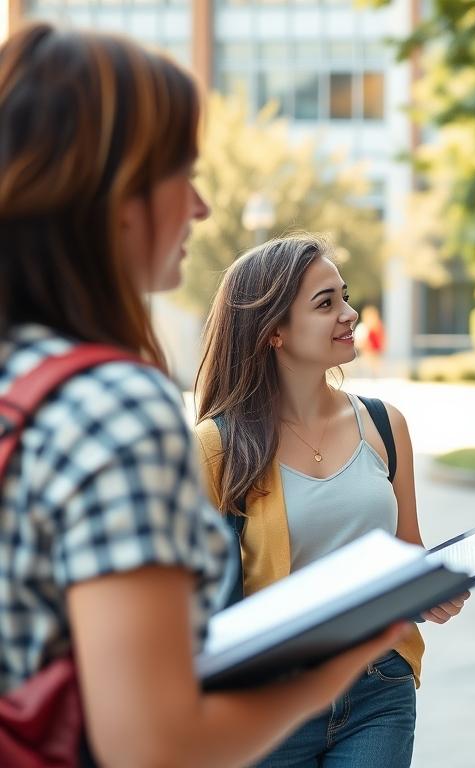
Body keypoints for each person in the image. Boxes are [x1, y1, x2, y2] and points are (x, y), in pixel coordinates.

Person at [0, 23, 405, 768]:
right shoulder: (114, 410)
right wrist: (341, 663)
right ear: (114, 193)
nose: (200, 208)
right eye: (179, 175)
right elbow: (155, 747)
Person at [194, 234, 468, 768]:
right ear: (274, 330)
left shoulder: (385, 424)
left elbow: (407, 552)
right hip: (268, 707)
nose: (349, 314)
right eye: (325, 304)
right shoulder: (216, 447)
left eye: (344, 296)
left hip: (378, 690)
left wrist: (433, 587)